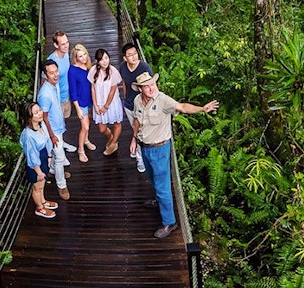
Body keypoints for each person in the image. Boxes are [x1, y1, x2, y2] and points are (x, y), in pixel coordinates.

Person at [129, 72, 219, 239]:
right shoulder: (137, 101)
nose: (151, 88)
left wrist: (202, 109)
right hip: (145, 147)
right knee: (151, 177)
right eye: (147, 86)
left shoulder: (162, 100)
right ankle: (158, 200)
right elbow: (137, 120)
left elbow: (182, 107)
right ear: (140, 88)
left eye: (153, 84)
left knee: (163, 186)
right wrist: (134, 138)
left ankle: (169, 222)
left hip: (160, 149)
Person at [37, 60, 71, 200]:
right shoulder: (44, 94)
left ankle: (55, 171)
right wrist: (52, 136)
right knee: (60, 157)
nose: (56, 75)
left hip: (58, 126)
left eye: (56, 71)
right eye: (51, 73)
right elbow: (44, 118)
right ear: (45, 75)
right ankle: (61, 185)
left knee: (58, 158)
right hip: (53, 130)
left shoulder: (54, 85)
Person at [19, 102, 58, 219]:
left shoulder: (40, 126)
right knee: (37, 186)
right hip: (36, 164)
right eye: (36, 113)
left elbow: (46, 142)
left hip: (43, 158)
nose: (40, 113)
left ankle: (43, 201)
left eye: (39, 110)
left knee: (42, 184)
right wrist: (39, 171)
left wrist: (49, 156)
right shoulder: (28, 135)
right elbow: (31, 155)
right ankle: (39, 208)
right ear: (29, 117)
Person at [118, 42, 151, 174]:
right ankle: (137, 151)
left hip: (142, 106)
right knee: (135, 130)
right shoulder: (122, 67)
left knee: (139, 132)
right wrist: (125, 98)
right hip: (129, 105)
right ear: (125, 58)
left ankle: (139, 157)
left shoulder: (144, 67)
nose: (134, 57)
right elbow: (124, 83)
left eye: (135, 53)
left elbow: (151, 86)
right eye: (130, 55)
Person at [88, 48, 124, 156]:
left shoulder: (113, 71)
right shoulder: (93, 71)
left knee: (117, 123)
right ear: (97, 61)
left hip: (111, 103)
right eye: (102, 59)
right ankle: (112, 137)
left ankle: (113, 144)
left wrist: (106, 106)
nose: (105, 61)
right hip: (99, 102)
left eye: (106, 58)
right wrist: (95, 105)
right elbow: (93, 88)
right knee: (102, 128)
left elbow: (112, 91)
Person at [68, 43, 96, 162]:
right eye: (80, 56)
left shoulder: (88, 66)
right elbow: (73, 92)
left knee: (88, 120)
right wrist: (78, 109)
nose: (83, 57)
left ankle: (86, 140)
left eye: (84, 54)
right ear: (76, 58)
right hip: (81, 103)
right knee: (85, 127)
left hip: (90, 99)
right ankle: (81, 150)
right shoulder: (72, 71)